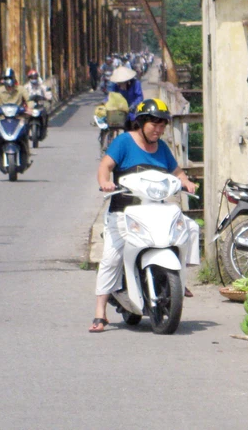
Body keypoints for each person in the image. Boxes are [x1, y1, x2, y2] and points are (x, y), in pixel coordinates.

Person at [91, 98, 199, 333]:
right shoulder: (123, 142)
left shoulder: (162, 148)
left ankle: (181, 280)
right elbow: (105, 166)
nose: (158, 130)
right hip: (123, 212)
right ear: (140, 123)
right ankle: (100, 312)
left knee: (190, 228)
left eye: (162, 126)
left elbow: (177, 171)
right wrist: (105, 183)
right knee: (111, 257)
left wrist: (186, 182)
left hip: (155, 211)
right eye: (154, 125)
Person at [0, 68, 31, 158]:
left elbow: (29, 100)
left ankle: (26, 149)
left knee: (26, 126)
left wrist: (30, 109)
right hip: (2, 116)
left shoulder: (21, 89)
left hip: (18, 116)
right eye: (6, 78)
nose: (8, 80)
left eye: (10, 77)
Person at [24, 69, 52, 134]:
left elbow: (47, 92)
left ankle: (44, 126)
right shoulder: (25, 87)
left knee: (46, 110)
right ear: (29, 78)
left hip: (40, 105)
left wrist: (48, 97)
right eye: (32, 77)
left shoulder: (41, 86)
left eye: (35, 77)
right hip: (30, 106)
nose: (34, 79)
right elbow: (22, 94)